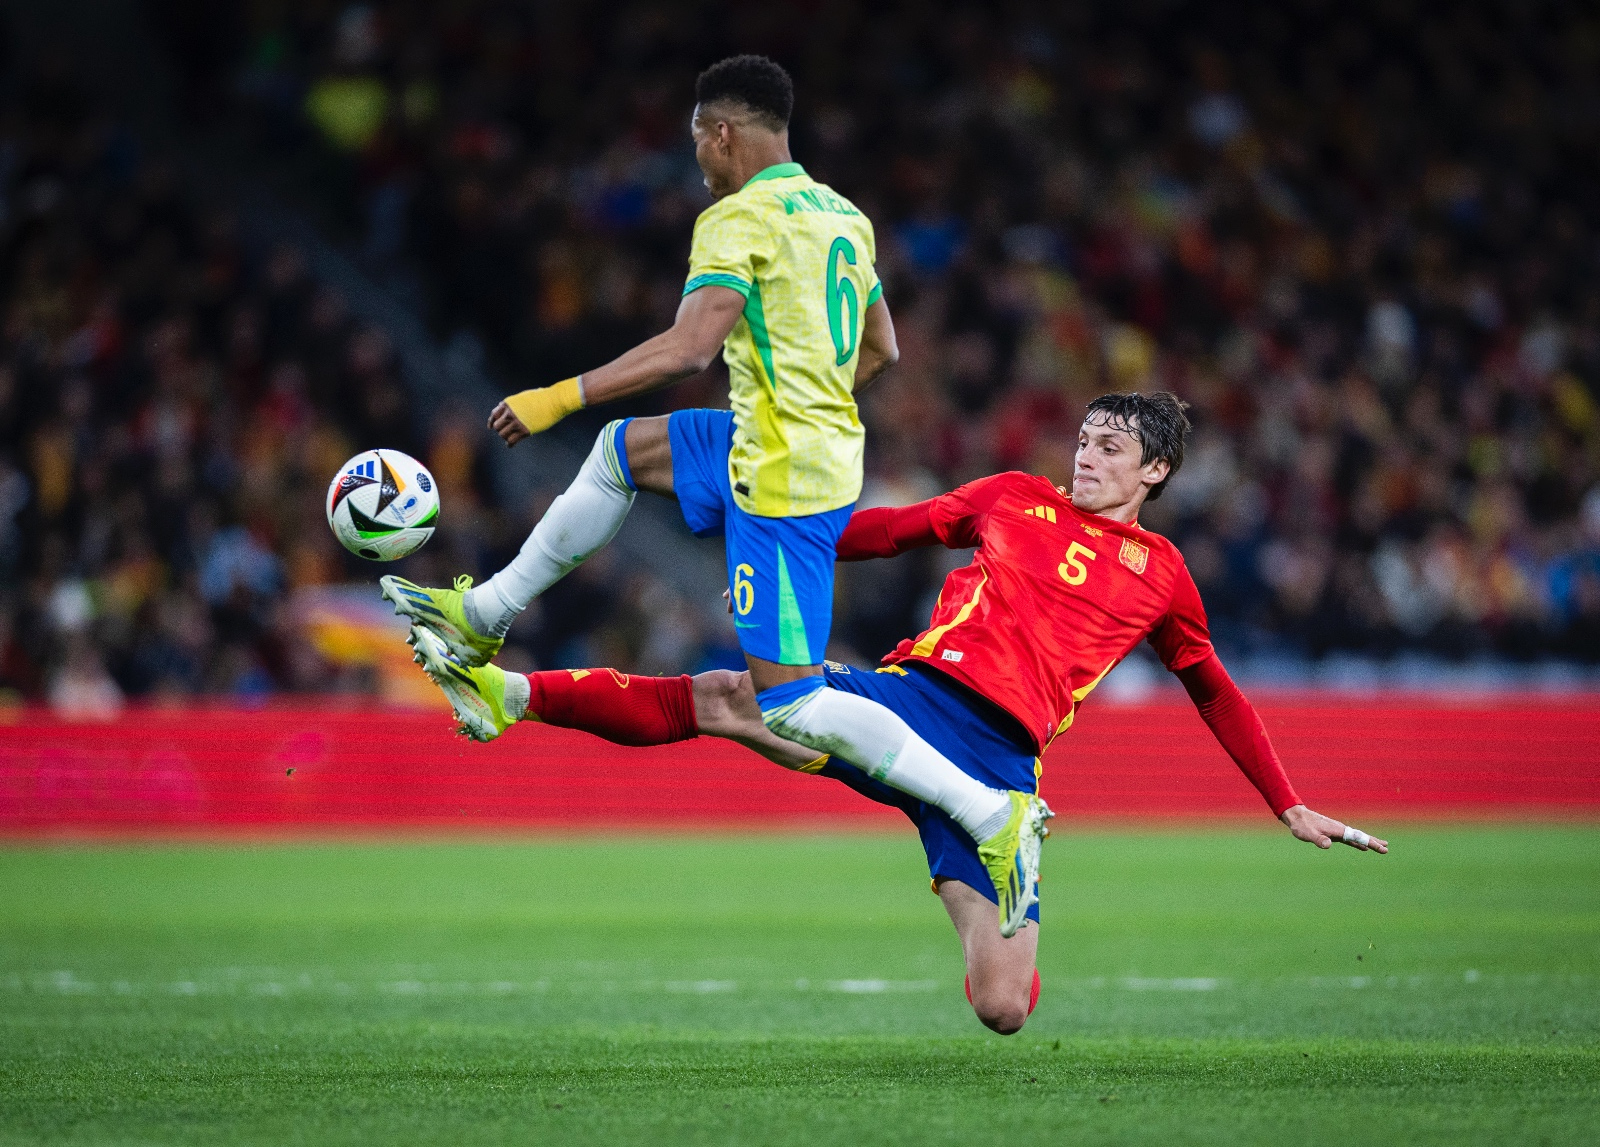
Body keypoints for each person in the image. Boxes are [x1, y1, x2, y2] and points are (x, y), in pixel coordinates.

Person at [408, 390, 1389, 1034]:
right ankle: (511, 693)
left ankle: (996, 837)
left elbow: (1211, 683)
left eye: (1112, 446)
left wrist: (1285, 800)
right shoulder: (1011, 497)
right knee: (736, 699)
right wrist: (778, 559)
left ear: (1155, 473)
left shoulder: (1165, 576)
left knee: (1003, 1006)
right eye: (1085, 437)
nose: (1088, 454)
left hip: (1006, 765)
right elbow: (883, 532)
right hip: (913, 697)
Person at [382, 54, 1050, 935]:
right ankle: (486, 614)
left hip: (779, 474)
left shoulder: (737, 218)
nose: (696, 155)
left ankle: (987, 811)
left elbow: (690, 348)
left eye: (697, 137)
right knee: (626, 453)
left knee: (792, 703)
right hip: (792, 442)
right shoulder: (843, 216)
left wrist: (560, 396)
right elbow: (882, 349)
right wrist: (810, 397)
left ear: (721, 132)